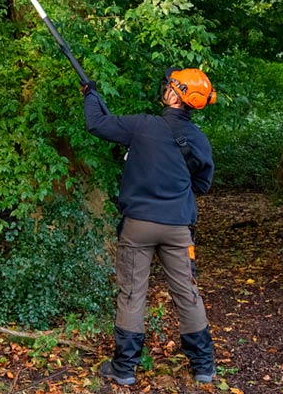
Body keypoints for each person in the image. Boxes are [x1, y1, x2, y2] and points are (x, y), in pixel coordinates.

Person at [82, 67, 218, 386]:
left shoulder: (142, 126)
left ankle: (125, 369)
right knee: (187, 294)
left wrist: (90, 95)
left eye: (170, 86)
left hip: (138, 226)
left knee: (132, 294)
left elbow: (97, 123)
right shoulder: (197, 138)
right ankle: (204, 367)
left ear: (175, 95)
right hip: (178, 227)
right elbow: (203, 182)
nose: (166, 88)